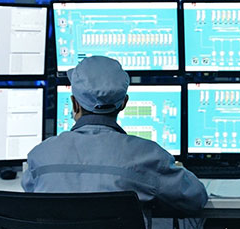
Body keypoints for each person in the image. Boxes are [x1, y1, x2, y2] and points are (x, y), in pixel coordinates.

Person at [21, 55, 207, 214]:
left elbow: (30, 190)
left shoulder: (40, 155)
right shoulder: (149, 157)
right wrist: (175, 169)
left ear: (74, 104)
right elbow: (196, 198)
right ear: (124, 103)